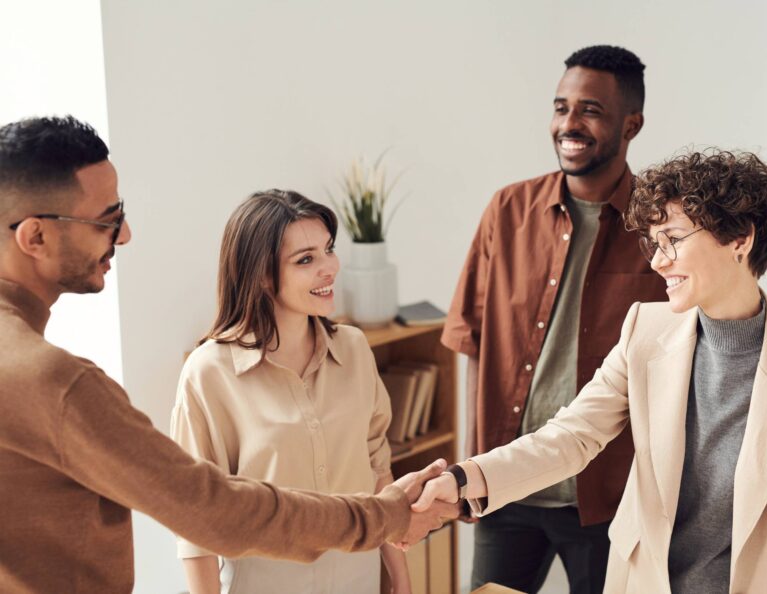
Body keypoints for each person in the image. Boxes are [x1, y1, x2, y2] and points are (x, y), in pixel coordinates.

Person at [0, 115, 456, 594]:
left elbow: (371, 459)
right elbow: (210, 512)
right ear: (34, 237)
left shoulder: (353, 348)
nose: (126, 234)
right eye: (107, 220)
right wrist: (386, 515)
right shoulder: (55, 382)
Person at [416, 149, 767, 593]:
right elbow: (571, 436)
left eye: (673, 239)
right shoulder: (645, 329)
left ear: (740, 239)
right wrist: (464, 479)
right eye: (654, 243)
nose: (658, 262)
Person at [441, 44, 667, 593]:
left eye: (590, 110)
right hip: (506, 487)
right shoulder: (507, 211)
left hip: (607, 497)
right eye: (561, 106)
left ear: (630, 125)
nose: (569, 123)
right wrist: (472, 468)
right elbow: (470, 343)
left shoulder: (660, 226)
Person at [172, 190, 411, 594]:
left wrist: (401, 580)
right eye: (306, 260)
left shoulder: (353, 349)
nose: (329, 268)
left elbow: (378, 472)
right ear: (262, 276)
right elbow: (196, 521)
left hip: (360, 583)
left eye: (328, 250)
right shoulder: (210, 372)